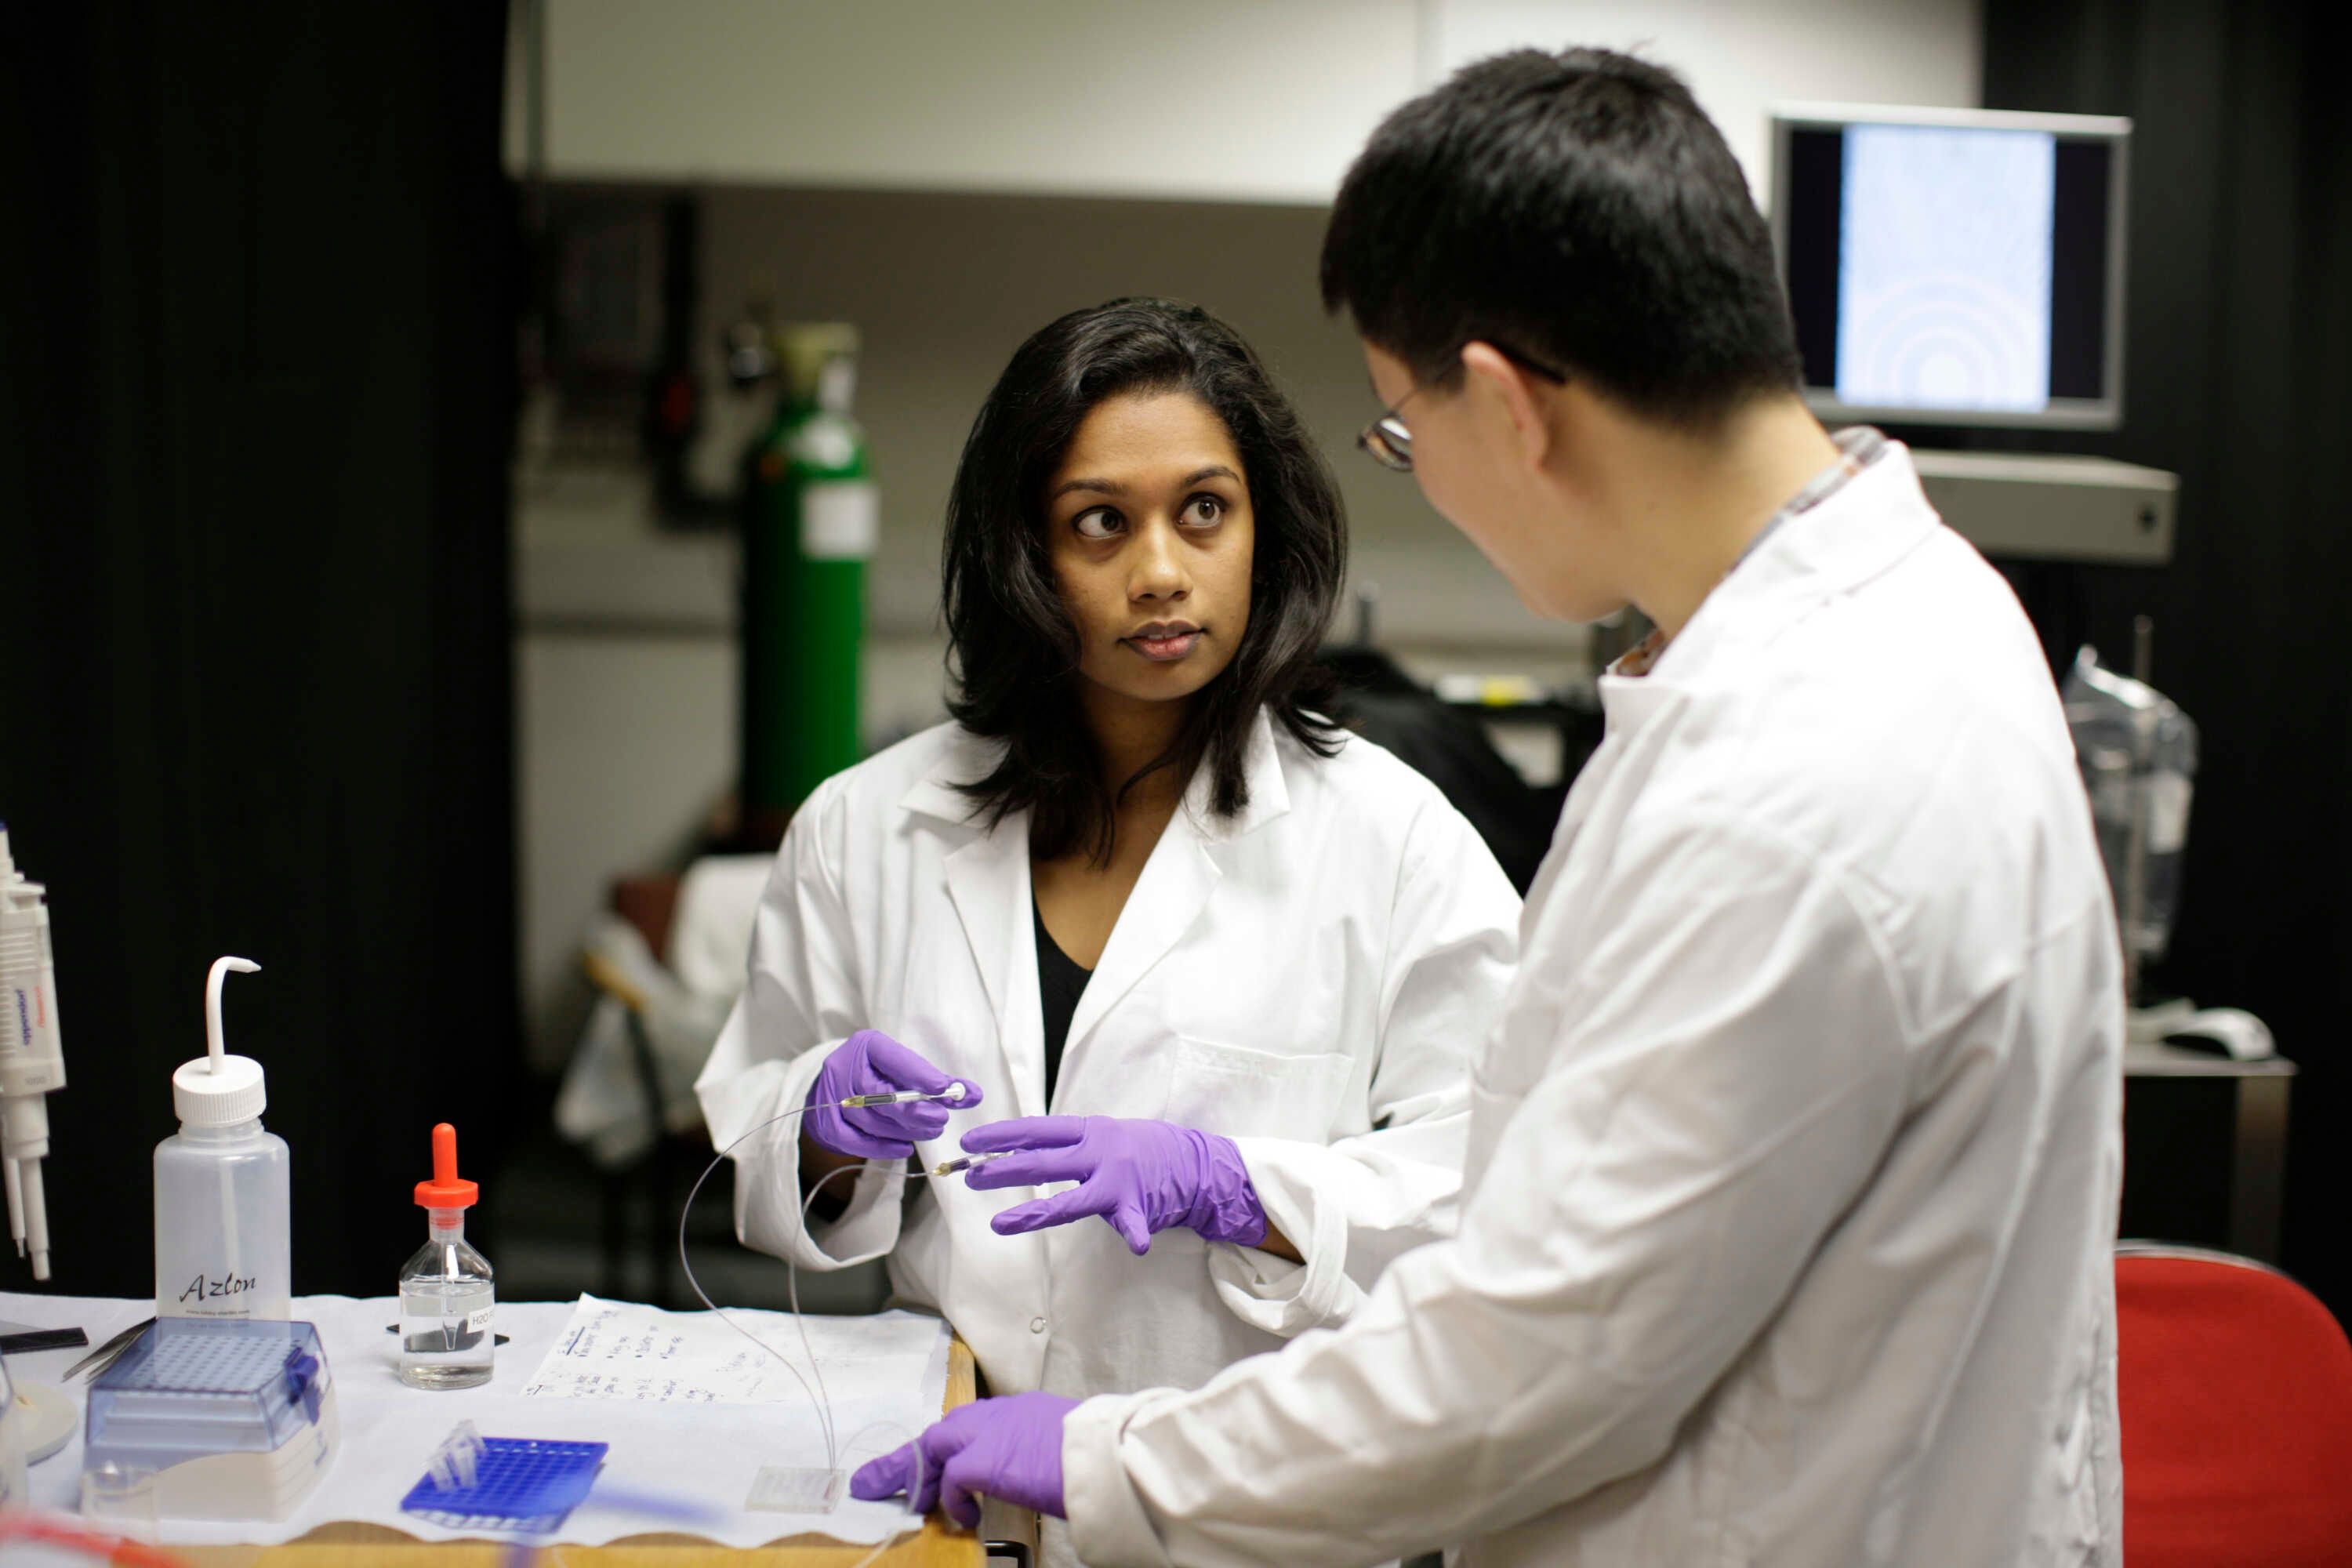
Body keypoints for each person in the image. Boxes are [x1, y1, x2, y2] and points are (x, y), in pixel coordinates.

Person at [851, 48, 2126, 1567]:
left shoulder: (1779, 787)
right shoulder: (1929, 618)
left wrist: (1119, 1455)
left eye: (1403, 426)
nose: (1417, 471)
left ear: (1511, 407)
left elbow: (1527, 1370)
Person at [695, 299, 1519, 1563]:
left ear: (1264, 528)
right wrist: (817, 1127)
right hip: (952, 1502)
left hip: (1244, 1522)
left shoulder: (1394, 841)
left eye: (1204, 510)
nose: (1160, 572)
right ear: (1025, 551)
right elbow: (752, 1134)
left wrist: (1241, 1189)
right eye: (1100, 523)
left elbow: (1497, 1193)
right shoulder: (866, 827)